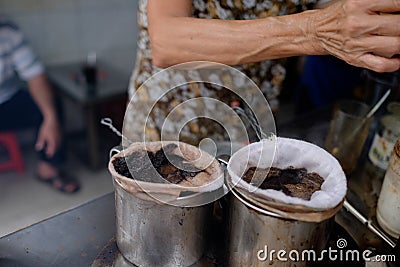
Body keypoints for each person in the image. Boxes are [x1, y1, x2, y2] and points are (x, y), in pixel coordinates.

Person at [123, 0, 400, 145]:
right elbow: (167, 41)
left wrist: (366, 21)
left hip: (250, 114)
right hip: (171, 118)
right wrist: (314, 31)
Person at [0, 18, 79, 193]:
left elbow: (35, 74)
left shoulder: (7, 31)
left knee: (49, 103)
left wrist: (50, 118)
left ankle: (48, 168)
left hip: (6, 99)